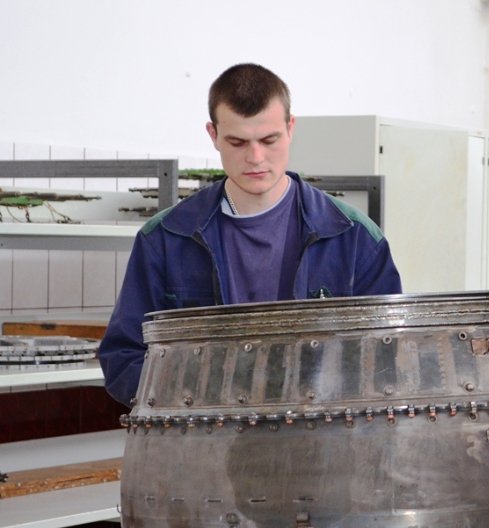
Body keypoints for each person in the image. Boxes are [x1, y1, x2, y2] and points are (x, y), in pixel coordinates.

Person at [99, 63, 402, 406]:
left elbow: (388, 358)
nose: (255, 158)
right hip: (206, 435)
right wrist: (198, 403)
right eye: (237, 142)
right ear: (213, 135)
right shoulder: (165, 239)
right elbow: (123, 359)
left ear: (290, 128)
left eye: (269, 140)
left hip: (321, 434)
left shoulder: (354, 238)